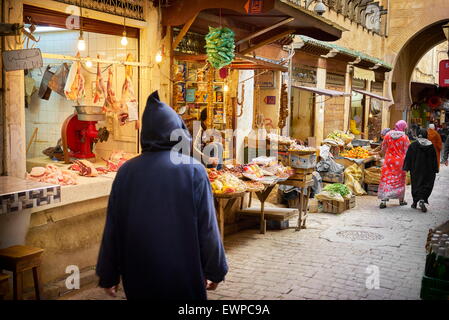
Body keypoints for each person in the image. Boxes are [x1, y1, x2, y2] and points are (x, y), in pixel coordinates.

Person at [96, 91, 228, 300]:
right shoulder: (193, 170)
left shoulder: (127, 171)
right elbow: (208, 227)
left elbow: (113, 226)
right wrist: (216, 270)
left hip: (139, 275)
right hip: (184, 274)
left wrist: (108, 273)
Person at [403, 128, 438, 212]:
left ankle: (415, 202)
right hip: (428, 170)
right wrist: (435, 169)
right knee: (426, 184)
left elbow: (408, 157)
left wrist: (406, 167)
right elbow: (434, 159)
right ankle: (422, 199)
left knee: (416, 184)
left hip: (416, 169)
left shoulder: (413, 145)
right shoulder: (431, 146)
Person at [378, 120, 411, 209]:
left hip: (388, 160)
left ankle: (383, 201)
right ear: (403, 127)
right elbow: (408, 151)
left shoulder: (388, 135)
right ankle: (401, 200)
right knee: (399, 181)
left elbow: (383, 148)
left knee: (386, 179)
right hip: (400, 162)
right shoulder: (405, 137)